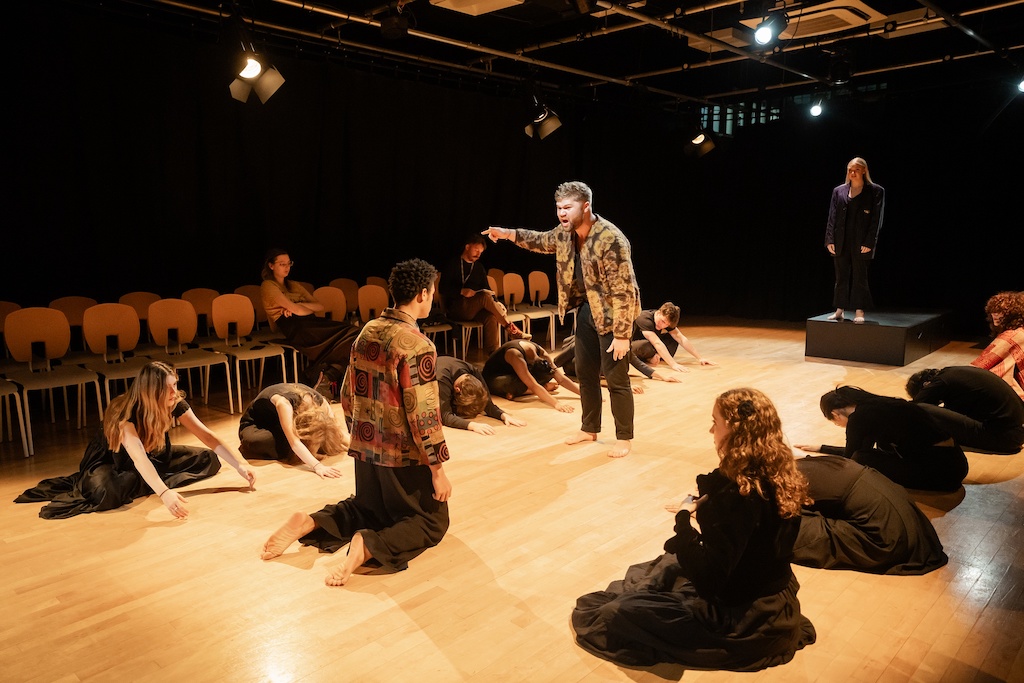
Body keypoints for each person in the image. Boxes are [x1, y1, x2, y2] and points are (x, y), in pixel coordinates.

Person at [571, 388, 816, 670]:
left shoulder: (738, 496)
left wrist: (684, 522)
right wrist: (702, 505)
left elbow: (710, 579)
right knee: (665, 569)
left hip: (742, 615)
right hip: (776, 598)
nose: (711, 429)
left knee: (614, 614)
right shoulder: (775, 472)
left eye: (716, 422)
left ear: (735, 430)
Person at [261, 259, 452, 587]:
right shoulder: (418, 345)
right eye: (432, 292)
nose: (432, 297)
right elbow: (424, 416)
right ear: (422, 294)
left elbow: (348, 392)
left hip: (365, 444)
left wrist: (359, 435)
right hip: (401, 453)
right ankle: (367, 546)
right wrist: (438, 470)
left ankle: (310, 522)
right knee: (432, 522)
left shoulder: (369, 330)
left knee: (371, 508)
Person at [483, 181, 641, 457]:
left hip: (612, 315)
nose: (562, 214)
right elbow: (539, 240)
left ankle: (624, 436)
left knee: (616, 379)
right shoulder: (565, 234)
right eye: (559, 208)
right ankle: (589, 427)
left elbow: (624, 290)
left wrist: (622, 335)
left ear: (586, 206)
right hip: (585, 310)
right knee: (585, 374)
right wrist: (507, 233)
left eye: (568, 207)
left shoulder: (611, 239)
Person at [15, 361, 255, 520]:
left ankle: (147, 480)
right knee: (106, 492)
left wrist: (239, 464)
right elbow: (136, 456)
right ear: (151, 391)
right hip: (113, 461)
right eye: (168, 388)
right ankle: (150, 482)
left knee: (208, 459)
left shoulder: (175, 404)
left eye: (175, 386)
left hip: (154, 455)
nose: (174, 393)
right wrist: (163, 494)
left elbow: (206, 435)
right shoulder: (125, 413)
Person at [792, 454, 948, 575]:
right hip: (906, 520)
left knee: (782, 533)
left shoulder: (781, 479)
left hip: (887, 536)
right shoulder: (802, 465)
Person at [797, 386, 968, 493]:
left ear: (835, 414)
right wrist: (821, 447)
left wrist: (810, 463)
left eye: (836, 422)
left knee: (861, 461)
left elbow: (850, 459)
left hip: (940, 476)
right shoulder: (881, 406)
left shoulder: (859, 418)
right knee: (865, 457)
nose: (840, 425)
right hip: (956, 466)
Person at [259, 248, 360, 388]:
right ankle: (321, 374)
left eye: (289, 263)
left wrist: (298, 305)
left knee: (354, 334)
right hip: (295, 327)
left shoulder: (293, 285)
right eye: (282, 264)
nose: (287, 267)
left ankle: (326, 375)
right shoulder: (268, 286)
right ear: (271, 266)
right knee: (349, 339)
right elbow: (297, 311)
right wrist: (297, 308)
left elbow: (319, 306)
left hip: (312, 322)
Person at [440, 233, 529, 354]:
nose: (478, 254)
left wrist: (497, 303)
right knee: (484, 298)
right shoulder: (453, 264)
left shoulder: (479, 267)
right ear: (467, 247)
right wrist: (461, 291)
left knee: (491, 317)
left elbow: (487, 289)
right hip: (456, 308)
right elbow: (442, 288)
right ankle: (511, 329)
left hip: (474, 309)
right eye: (476, 250)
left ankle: (493, 354)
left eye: (480, 252)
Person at [238, 383, 351, 476]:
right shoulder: (284, 404)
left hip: (281, 424)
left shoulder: (320, 401)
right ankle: (306, 449)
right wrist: (317, 466)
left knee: (327, 434)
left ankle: (307, 448)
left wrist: (360, 449)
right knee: (259, 443)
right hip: (260, 424)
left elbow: (339, 434)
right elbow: (294, 442)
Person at [907, 365, 1024, 454]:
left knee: (922, 409)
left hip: (1003, 438)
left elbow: (916, 406)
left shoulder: (941, 381)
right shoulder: (955, 374)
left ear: (926, 385)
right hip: (1015, 434)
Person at [824, 157, 885, 324]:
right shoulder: (839, 191)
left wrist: (869, 243)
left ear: (864, 171)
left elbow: (876, 220)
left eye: (856, 170)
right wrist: (830, 239)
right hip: (841, 240)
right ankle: (839, 309)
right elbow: (832, 217)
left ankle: (859, 310)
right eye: (850, 170)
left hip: (861, 241)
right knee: (841, 276)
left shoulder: (875, 191)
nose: (852, 173)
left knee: (860, 276)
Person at [481, 339, 581, 412]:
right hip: (494, 377)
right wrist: (556, 403)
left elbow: (561, 379)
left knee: (549, 373)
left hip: (518, 373)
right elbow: (533, 385)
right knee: (514, 383)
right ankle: (540, 388)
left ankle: (522, 391)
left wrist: (582, 393)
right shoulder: (515, 354)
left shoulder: (541, 353)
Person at [436, 355, 527, 434]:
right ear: (457, 389)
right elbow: (446, 416)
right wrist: (472, 425)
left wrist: (503, 415)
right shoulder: (441, 380)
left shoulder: (473, 372)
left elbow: (487, 403)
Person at [630, 302, 715, 379]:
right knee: (646, 344)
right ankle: (650, 357)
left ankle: (656, 356)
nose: (663, 326)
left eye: (667, 325)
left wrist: (700, 358)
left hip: (652, 346)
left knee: (673, 339)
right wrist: (673, 364)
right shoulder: (644, 318)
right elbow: (657, 343)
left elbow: (681, 338)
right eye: (662, 321)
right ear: (659, 313)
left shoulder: (666, 320)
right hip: (633, 346)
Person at [970, 291, 1024, 400]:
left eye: (1001, 311)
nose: (995, 314)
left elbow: (983, 363)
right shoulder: (1019, 332)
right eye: (993, 310)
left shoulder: (1012, 336)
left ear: (1013, 313)